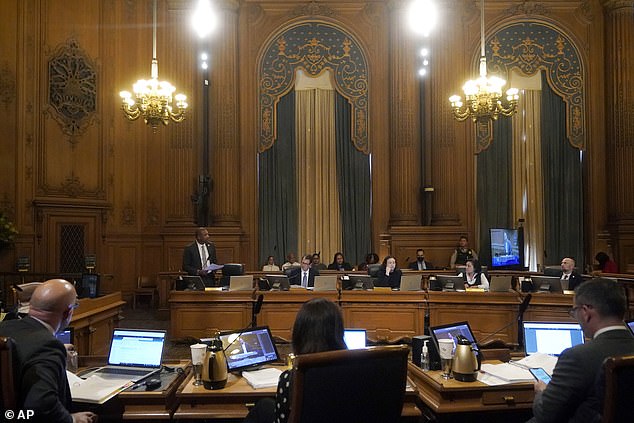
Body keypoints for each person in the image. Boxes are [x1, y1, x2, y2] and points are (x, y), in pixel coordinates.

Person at [528, 278, 634, 423]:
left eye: (574, 311)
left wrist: (541, 391)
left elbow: (545, 414)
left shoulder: (576, 357)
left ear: (585, 312)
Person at [0, 279, 98, 423]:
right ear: (68, 312)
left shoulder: (4, 327)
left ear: (31, 306)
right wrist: (71, 419)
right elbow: (40, 407)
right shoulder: (48, 346)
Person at [243, 298, 347, 423]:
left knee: (262, 408)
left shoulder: (291, 378)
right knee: (264, 405)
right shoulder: (358, 372)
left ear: (299, 334)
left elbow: (281, 420)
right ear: (339, 333)